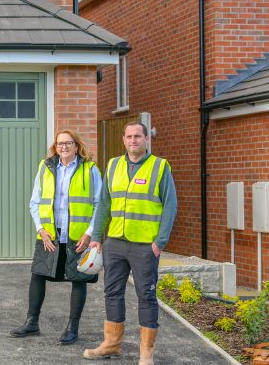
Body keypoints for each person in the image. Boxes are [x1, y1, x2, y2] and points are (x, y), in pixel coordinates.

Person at [83, 122, 177, 365]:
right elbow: (104, 203)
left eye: (137, 136)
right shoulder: (113, 165)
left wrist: (160, 242)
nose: (133, 140)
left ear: (146, 139)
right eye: (129, 136)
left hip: (145, 245)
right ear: (123, 140)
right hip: (115, 242)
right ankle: (112, 344)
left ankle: (146, 353)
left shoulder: (159, 166)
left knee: (146, 295)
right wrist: (96, 238)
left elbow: (170, 206)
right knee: (112, 292)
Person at [9, 129, 102, 344]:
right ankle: (32, 323)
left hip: (78, 235)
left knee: (78, 280)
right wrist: (40, 229)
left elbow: (99, 204)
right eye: (60, 143)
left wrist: (90, 233)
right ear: (55, 146)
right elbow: (35, 201)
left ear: (77, 146)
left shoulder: (90, 169)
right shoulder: (46, 167)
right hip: (50, 234)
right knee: (38, 275)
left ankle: (73, 328)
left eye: (68, 143)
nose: (64, 147)